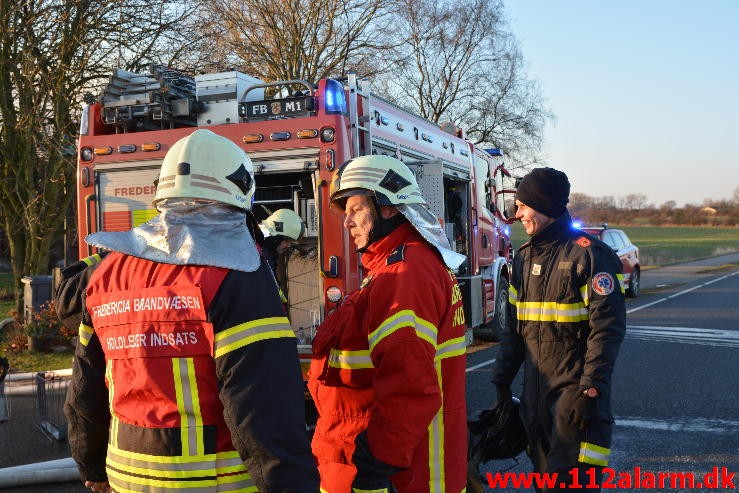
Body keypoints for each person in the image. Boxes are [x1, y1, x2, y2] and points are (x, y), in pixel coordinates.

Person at [60, 129, 319, 493]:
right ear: (238, 193)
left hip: (125, 477)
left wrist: (91, 465)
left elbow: (85, 383)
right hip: (212, 481)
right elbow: (263, 408)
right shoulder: (238, 274)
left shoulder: (108, 272)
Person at [308, 155, 469, 492]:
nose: (347, 222)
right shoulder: (398, 265)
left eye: (356, 210)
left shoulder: (404, 273)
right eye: (345, 213)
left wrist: (374, 463)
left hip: (405, 472)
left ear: (389, 208)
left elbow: (408, 382)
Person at [490, 167, 626, 492]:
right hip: (535, 400)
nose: (517, 213)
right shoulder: (523, 259)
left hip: (576, 400)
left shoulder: (591, 255)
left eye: (523, 205)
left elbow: (607, 329)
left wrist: (591, 388)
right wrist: (500, 379)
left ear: (545, 206)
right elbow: (513, 329)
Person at [259, 208, 306, 275]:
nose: (289, 245)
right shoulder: (265, 261)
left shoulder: (261, 249)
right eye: (287, 240)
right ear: (276, 237)